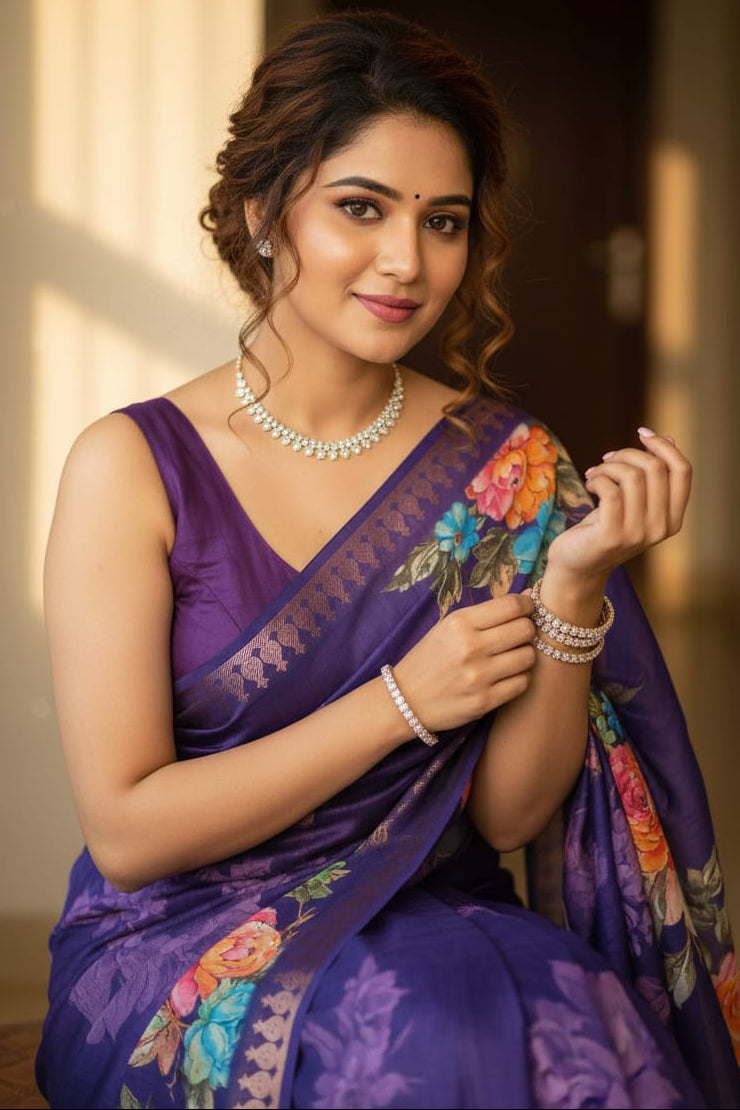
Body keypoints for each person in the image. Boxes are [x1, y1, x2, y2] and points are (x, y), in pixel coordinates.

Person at [36, 10, 739, 1110]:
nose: (407, 263)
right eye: (359, 208)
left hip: (433, 912)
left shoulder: (505, 468)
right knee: (426, 1043)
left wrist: (570, 589)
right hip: (178, 946)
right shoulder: (132, 466)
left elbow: (507, 821)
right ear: (266, 213)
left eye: (443, 222)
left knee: (568, 1017)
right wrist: (402, 701)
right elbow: (129, 834)